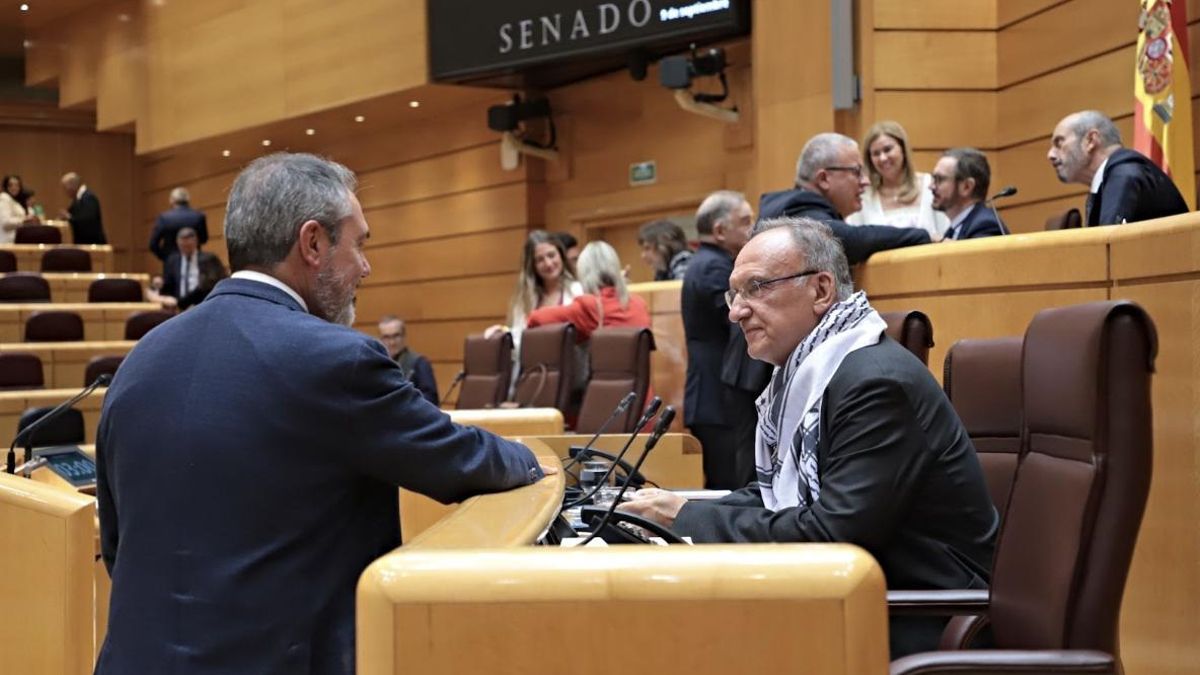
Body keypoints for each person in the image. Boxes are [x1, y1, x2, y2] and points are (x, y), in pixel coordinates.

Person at [94, 152, 547, 675]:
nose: (366, 266)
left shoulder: (140, 360)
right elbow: (458, 458)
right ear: (312, 243)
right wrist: (538, 460)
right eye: (359, 244)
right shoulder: (336, 359)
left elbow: (116, 544)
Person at [622, 217, 998, 658]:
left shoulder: (873, 383)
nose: (735, 310)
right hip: (863, 597)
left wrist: (685, 517)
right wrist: (667, 510)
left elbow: (830, 532)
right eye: (734, 292)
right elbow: (776, 497)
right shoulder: (815, 375)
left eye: (757, 287)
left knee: (681, 640)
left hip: (921, 618)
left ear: (821, 290)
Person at [682, 190, 769, 489]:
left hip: (712, 395)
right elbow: (737, 325)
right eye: (746, 221)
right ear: (719, 230)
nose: (753, 227)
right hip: (718, 397)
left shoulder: (705, 263)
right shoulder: (715, 268)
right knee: (731, 488)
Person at [759, 132, 931, 263]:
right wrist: (923, 236)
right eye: (856, 172)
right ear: (824, 179)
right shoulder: (798, 207)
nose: (865, 182)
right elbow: (846, 239)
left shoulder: (790, 206)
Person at [1047, 110, 1189, 226]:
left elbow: (1109, 249)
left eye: (1059, 143)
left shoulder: (1125, 175)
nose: (1050, 155)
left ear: (1091, 140)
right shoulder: (1112, 177)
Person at [527, 240, 650, 340]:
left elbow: (535, 318)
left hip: (602, 369)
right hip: (639, 370)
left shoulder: (589, 306)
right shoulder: (639, 303)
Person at [847, 121, 948, 239]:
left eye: (888, 149)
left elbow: (948, 236)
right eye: (876, 153)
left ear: (903, 150)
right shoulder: (863, 196)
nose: (883, 158)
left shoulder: (930, 186)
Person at [931, 148, 1006, 240]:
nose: (931, 186)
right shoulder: (952, 231)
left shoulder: (985, 226)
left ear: (967, 187)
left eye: (939, 179)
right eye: (933, 178)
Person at [378, 314, 439, 405]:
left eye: (396, 336)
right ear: (380, 339)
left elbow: (431, 399)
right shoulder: (377, 364)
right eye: (387, 337)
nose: (392, 342)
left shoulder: (419, 363)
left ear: (404, 336)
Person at [161, 227, 228, 310]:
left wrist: (181, 302)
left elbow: (208, 286)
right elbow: (167, 286)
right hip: (178, 310)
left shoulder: (209, 259)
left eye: (188, 246)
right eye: (182, 246)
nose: (185, 248)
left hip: (203, 306)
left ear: (196, 242)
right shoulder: (172, 261)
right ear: (178, 243)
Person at [150, 186, 209, 266]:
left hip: (171, 264)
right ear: (187, 199)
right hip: (194, 262)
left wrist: (166, 258)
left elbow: (153, 244)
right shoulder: (198, 216)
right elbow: (203, 239)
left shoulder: (164, 218)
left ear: (172, 200)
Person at [59, 171, 107, 244]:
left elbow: (87, 221)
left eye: (65, 187)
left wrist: (68, 217)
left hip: (92, 243)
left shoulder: (88, 197)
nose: (65, 191)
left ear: (72, 185)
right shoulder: (78, 199)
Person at [0, 174, 38, 244]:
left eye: (17, 185)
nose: (14, 188)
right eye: (10, 185)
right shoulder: (4, 198)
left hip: (15, 239)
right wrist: (24, 220)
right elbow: (5, 222)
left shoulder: (14, 200)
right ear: (6, 186)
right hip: (7, 242)